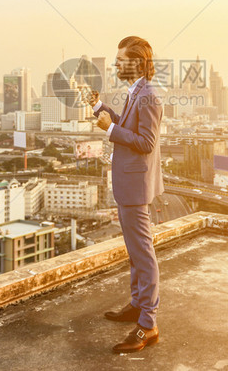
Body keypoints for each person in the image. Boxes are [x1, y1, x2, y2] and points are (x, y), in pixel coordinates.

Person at [86, 35, 164, 354]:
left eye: (120, 59)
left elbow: (146, 142)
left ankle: (148, 324)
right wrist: (98, 108)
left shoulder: (149, 98)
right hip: (128, 185)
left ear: (135, 63)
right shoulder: (135, 93)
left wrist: (108, 130)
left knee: (143, 254)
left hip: (135, 186)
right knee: (135, 250)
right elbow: (124, 126)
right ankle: (136, 304)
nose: (116, 63)